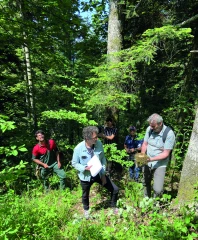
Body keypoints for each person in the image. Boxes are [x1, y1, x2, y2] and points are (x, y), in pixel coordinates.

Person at [72, 126, 119, 219]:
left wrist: (103, 174)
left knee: (115, 189)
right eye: (94, 138)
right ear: (87, 138)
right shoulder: (78, 148)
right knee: (85, 194)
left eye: (97, 137)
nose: (97, 139)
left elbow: (103, 159)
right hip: (86, 176)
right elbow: (74, 163)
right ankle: (86, 212)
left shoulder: (99, 144)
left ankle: (113, 207)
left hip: (98, 173)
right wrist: (84, 168)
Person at [141, 113, 175, 198]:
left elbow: (166, 153)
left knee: (158, 189)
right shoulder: (149, 129)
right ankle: (146, 201)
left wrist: (151, 159)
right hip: (147, 161)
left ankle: (155, 204)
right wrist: (142, 155)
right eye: (150, 126)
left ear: (160, 123)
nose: (151, 128)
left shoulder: (169, 134)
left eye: (153, 126)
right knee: (145, 183)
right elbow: (145, 144)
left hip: (160, 163)